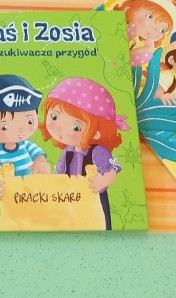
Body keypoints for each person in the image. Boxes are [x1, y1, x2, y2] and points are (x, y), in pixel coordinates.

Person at [39, 77, 127, 230]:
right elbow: (60, 173)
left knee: (99, 226)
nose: (59, 128)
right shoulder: (67, 151)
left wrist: (102, 181)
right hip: (72, 198)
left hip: (94, 199)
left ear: (97, 132)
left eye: (75, 127)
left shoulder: (97, 151)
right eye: (54, 116)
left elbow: (110, 171)